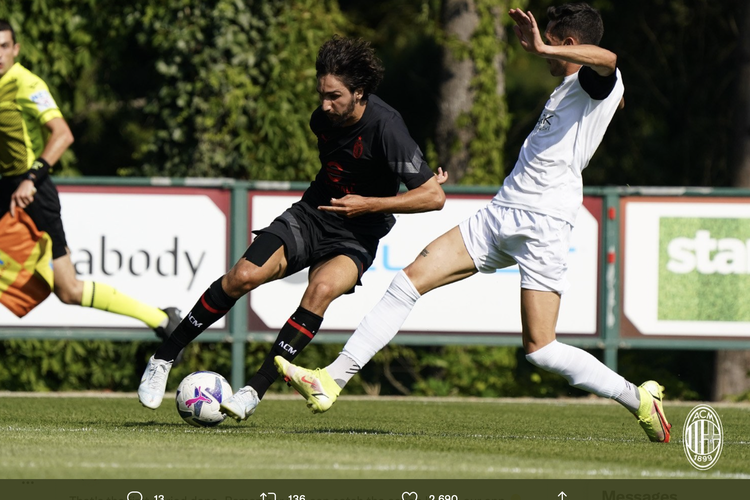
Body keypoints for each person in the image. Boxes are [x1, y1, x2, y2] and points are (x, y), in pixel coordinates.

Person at [277, 3, 672, 444]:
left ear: (571, 45)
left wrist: (540, 46)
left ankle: (637, 398)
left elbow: (611, 62)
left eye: (550, 42)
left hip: (545, 222)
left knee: (541, 350)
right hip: (502, 212)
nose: (540, 50)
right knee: (408, 281)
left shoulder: (593, 83)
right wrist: (545, 49)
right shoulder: (566, 90)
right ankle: (331, 381)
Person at [137, 35, 448, 418]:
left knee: (320, 290)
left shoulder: (387, 127)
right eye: (321, 93)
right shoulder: (323, 120)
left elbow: (433, 197)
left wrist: (370, 203)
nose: (324, 104)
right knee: (242, 276)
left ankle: (255, 389)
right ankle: (164, 357)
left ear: (360, 92)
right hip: (311, 215)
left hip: (358, 234)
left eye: (334, 95)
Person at [0, 20, 181, 338]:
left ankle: (161, 319)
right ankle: (161, 319)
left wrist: (31, 178)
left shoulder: (26, 83)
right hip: (6, 190)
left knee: (68, 290)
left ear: (15, 49)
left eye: (4, 47)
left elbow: (63, 134)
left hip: (32, 193)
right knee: (68, 290)